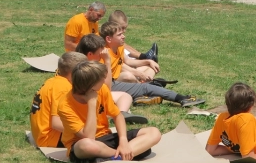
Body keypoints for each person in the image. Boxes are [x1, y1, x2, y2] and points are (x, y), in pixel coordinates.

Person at [58, 61, 162, 163]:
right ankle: (128, 154)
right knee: (87, 146)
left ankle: (116, 157)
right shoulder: (65, 105)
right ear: (92, 86)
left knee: (154, 132)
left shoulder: (102, 89)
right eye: (102, 80)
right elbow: (89, 136)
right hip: (83, 143)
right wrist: (92, 103)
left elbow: (118, 116)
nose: (104, 81)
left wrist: (123, 141)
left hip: (106, 138)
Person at [76, 34, 205, 108]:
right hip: (104, 92)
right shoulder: (87, 68)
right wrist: (108, 62)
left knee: (143, 85)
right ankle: (181, 98)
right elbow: (107, 87)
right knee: (142, 88)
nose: (104, 52)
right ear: (90, 54)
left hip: (108, 87)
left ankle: (144, 97)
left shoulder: (82, 61)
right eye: (101, 51)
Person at [29, 52, 86, 147]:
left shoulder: (54, 80)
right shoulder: (63, 88)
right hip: (51, 139)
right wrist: (82, 132)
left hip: (41, 134)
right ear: (75, 73)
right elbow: (56, 123)